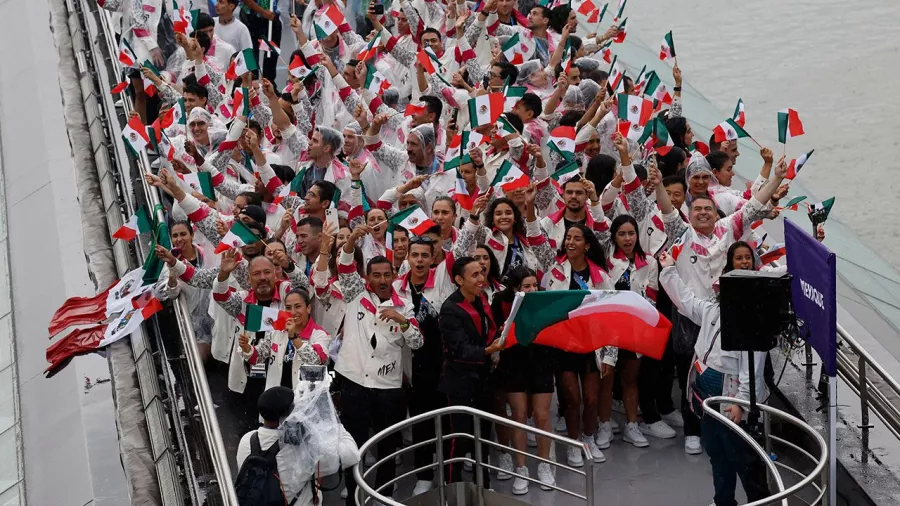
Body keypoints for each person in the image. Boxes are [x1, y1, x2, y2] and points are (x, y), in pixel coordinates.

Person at [658, 251, 770, 506]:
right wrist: (668, 270)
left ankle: (760, 503)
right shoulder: (712, 310)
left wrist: (740, 404)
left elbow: (752, 371)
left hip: (730, 401)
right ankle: (723, 501)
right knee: (717, 455)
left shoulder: (752, 324)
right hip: (704, 399)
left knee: (744, 460)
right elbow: (685, 301)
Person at [334, 225, 423, 505]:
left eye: (387, 274)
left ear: (394, 276)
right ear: (367, 278)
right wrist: (350, 239)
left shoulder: (405, 306)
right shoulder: (354, 295)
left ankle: (384, 494)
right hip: (353, 381)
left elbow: (418, 342)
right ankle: (353, 493)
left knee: (388, 443)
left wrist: (402, 322)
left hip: (388, 386)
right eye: (376, 275)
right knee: (354, 444)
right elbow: (345, 266)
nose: (382, 279)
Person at [439, 257, 505, 488]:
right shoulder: (449, 309)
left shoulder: (482, 299)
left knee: (483, 435)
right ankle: (451, 487)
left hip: (483, 378)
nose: (481, 279)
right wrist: (489, 349)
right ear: (459, 280)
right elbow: (458, 350)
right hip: (460, 382)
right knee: (459, 437)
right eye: (474, 275)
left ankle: (483, 484)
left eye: (482, 273)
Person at [490, 266, 555, 493]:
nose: (533, 289)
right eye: (526, 286)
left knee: (541, 414)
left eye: (535, 285)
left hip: (541, 362)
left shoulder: (545, 300)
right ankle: (521, 468)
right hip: (513, 363)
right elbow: (494, 333)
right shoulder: (500, 302)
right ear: (515, 288)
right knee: (518, 414)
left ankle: (545, 464)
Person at [236, 386, 359, 506]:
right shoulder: (304, 451)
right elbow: (352, 453)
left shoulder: (247, 439)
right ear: (287, 416)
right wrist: (330, 418)